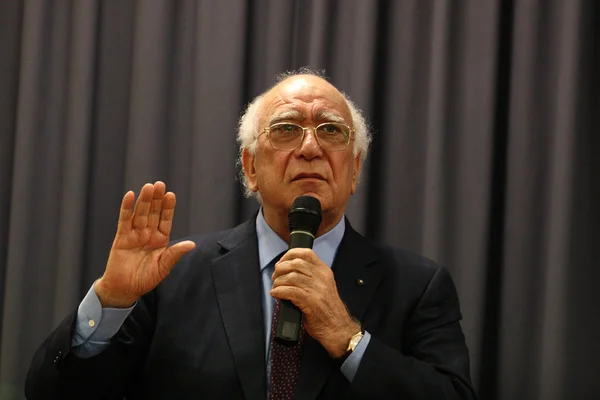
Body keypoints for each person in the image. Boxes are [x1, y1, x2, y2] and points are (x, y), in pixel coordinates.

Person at [25, 70, 476, 399]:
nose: (310, 147)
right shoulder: (175, 274)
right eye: (286, 129)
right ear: (250, 167)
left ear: (354, 169)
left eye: (331, 131)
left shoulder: (418, 285)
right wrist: (111, 301)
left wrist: (347, 337)